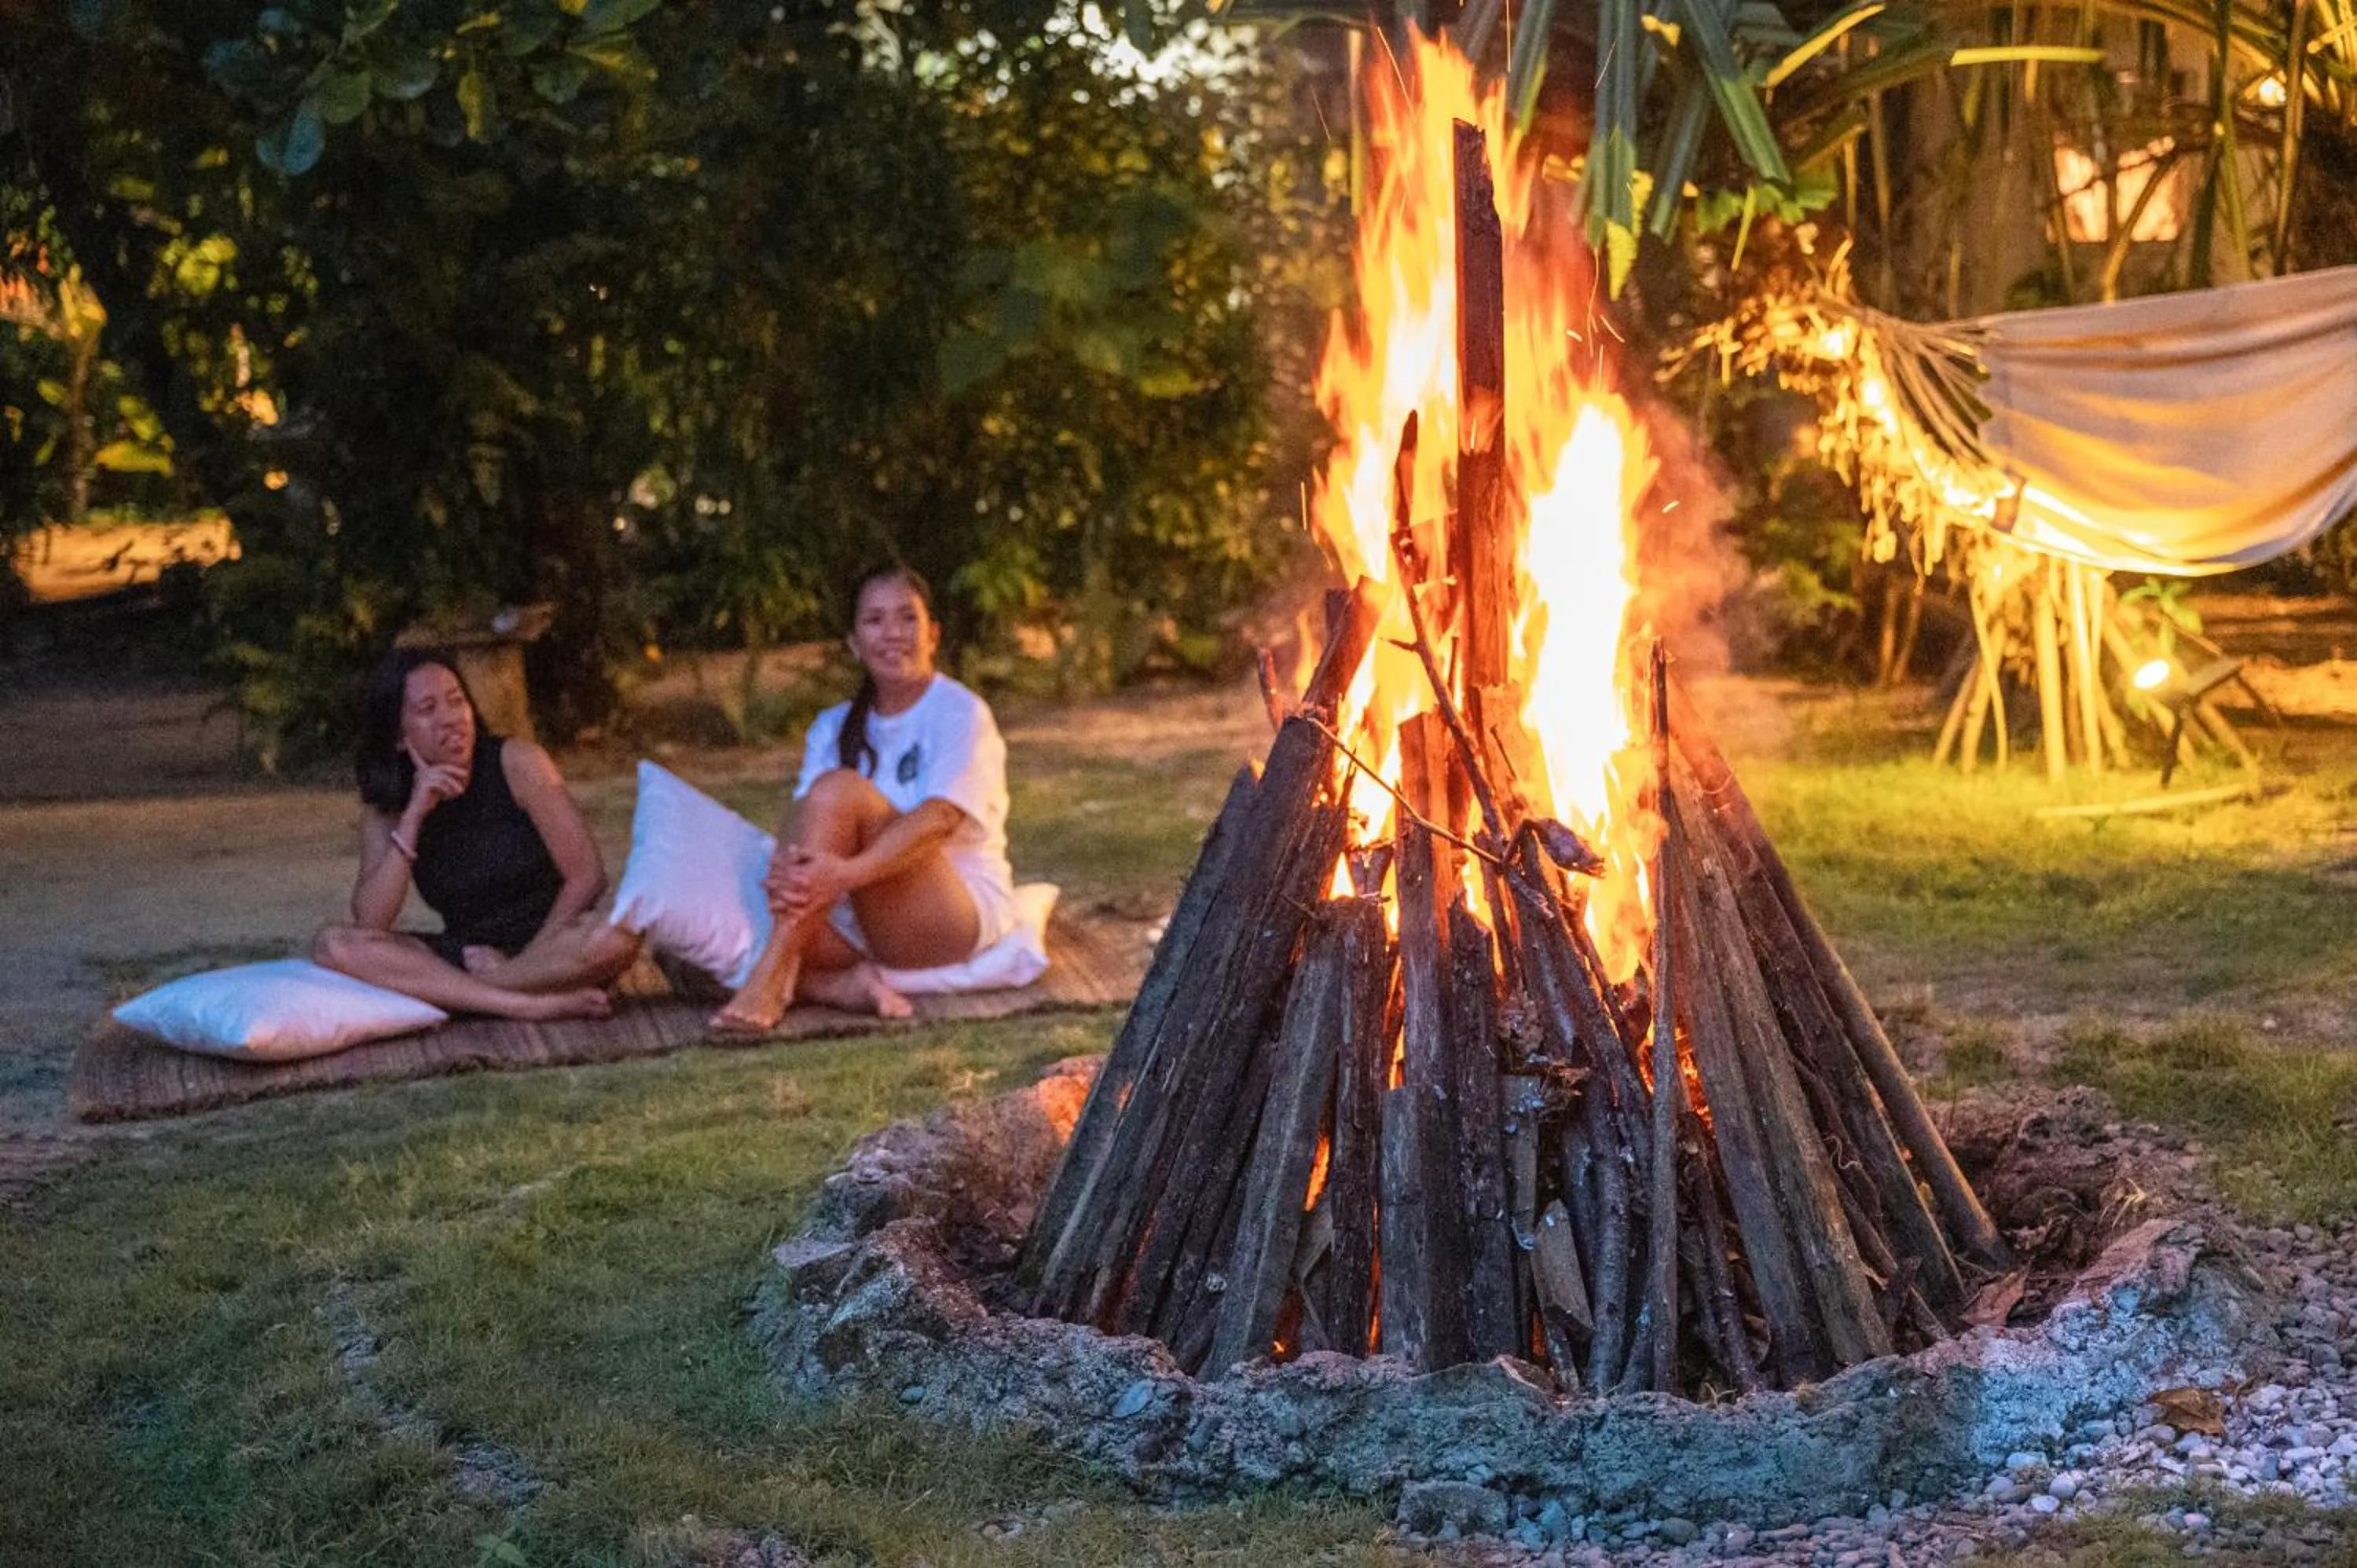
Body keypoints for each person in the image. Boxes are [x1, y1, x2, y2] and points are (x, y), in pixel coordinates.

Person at [710, 564, 1018, 1033]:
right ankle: (834, 985)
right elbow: (802, 823)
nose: (892, 634)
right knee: (692, 946)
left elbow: (939, 819)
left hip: (948, 914)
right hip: (853, 911)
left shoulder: (960, 712)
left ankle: (774, 976)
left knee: (842, 789)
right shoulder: (832, 726)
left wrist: (845, 874)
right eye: (875, 621)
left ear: (933, 634)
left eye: (907, 619)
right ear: (854, 643)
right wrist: (787, 870)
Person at [312, 649, 641, 1020]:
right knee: (334, 945)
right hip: (469, 954)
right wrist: (415, 816)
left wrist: (519, 964)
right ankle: (526, 1005)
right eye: (428, 710)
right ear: (399, 737)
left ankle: (481, 994)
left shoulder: (519, 763)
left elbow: (587, 877)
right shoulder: (389, 809)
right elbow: (371, 921)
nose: (451, 720)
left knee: (617, 936)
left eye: (457, 702)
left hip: (554, 943)